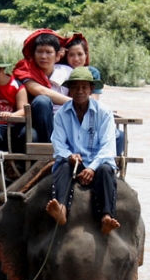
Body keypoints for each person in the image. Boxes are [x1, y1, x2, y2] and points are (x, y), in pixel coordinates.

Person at [45, 67, 120, 235]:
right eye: (75, 87)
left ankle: (106, 217)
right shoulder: (61, 114)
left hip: (98, 164)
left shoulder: (104, 112)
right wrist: (69, 156)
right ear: (69, 90)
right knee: (62, 166)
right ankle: (62, 209)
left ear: (91, 89)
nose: (80, 91)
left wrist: (92, 168)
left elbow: (107, 147)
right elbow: (58, 144)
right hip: (74, 164)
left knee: (107, 170)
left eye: (84, 87)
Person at [10, 29, 72, 142]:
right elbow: (39, 90)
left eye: (48, 52)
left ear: (58, 56)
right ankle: (51, 148)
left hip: (62, 121)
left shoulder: (67, 72)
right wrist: (73, 101)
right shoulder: (26, 69)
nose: (43, 56)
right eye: (39, 51)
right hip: (33, 121)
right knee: (41, 101)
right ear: (33, 54)